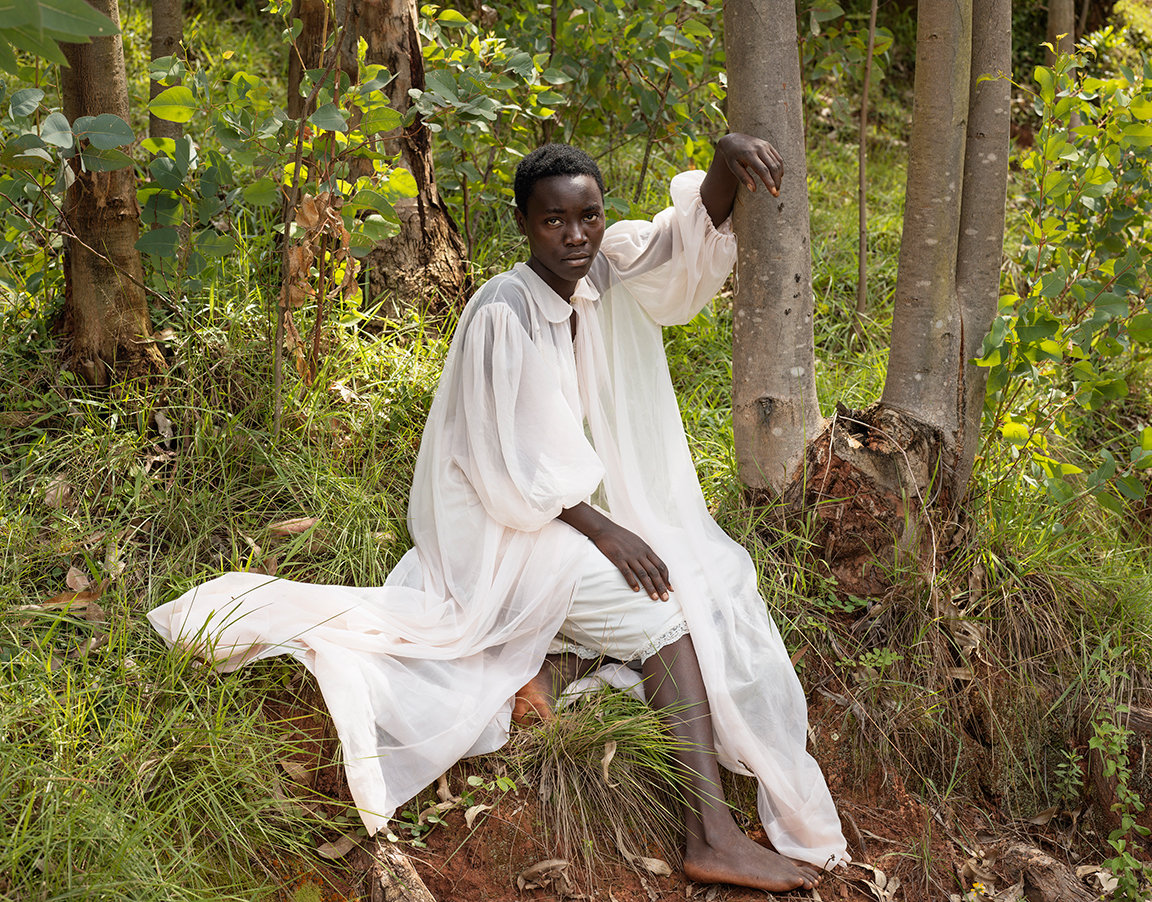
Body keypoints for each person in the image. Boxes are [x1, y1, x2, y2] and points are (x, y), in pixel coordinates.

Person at [148, 134, 846, 893]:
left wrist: (722, 161)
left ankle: (551, 664)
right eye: (554, 221)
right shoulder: (503, 310)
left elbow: (677, 255)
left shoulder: (597, 273)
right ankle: (709, 833)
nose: (575, 236)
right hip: (498, 525)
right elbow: (511, 467)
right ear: (523, 223)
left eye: (588, 216)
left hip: (552, 514)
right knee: (667, 605)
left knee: (715, 572)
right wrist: (610, 532)